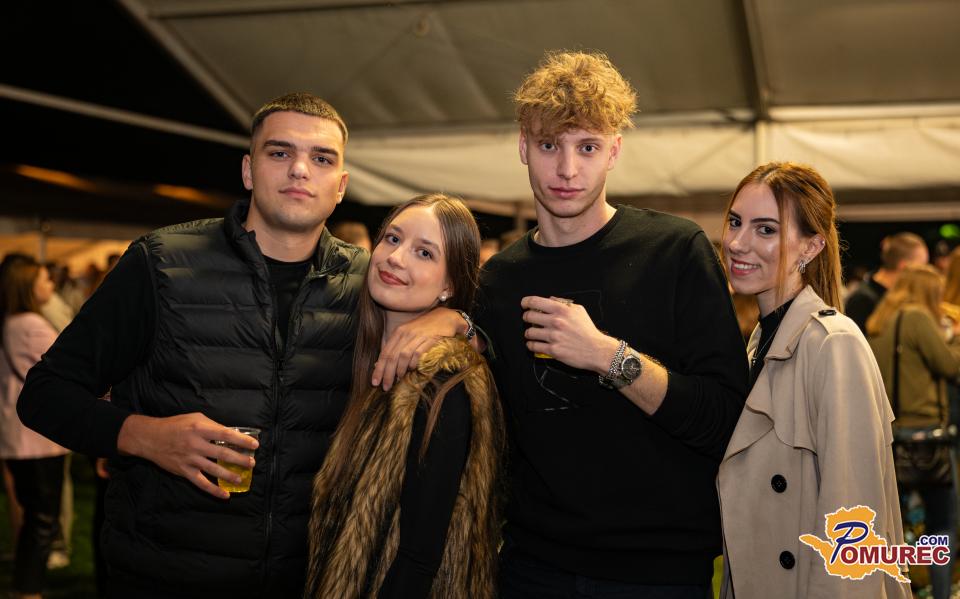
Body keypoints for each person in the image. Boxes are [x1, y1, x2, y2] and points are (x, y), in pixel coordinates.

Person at [375, 51, 748, 598]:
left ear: (614, 151)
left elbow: (726, 419)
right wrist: (452, 318)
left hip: (656, 573)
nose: (568, 170)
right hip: (532, 568)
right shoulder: (498, 280)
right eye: (550, 146)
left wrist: (608, 357)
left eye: (587, 147)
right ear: (523, 148)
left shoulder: (674, 250)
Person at [17, 92, 368, 598]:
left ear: (341, 186)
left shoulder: (368, 284)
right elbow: (44, 393)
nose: (299, 169)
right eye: (279, 152)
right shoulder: (161, 264)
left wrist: (454, 324)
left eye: (321, 158)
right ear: (248, 170)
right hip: (167, 575)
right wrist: (144, 436)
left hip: (314, 578)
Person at [717, 162, 909, 598]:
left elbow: (854, 519)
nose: (737, 243)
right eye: (735, 222)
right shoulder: (762, 340)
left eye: (766, 229)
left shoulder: (833, 343)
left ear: (812, 246)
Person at [306, 194, 504, 599]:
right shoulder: (364, 357)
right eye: (393, 239)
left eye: (424, 253)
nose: (396, 258)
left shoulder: (444, 380)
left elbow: (419, 557)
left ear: (449, 286)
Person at [867, 265, 960, 599]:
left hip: (891, 435)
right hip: (925, 434)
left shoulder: (879, 321)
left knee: (893, 525)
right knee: (942, 522)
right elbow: (950, 366)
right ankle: (940, 592)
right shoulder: (918, 318)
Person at [1, 256, 69, 599]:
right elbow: (68, 368)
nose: (51, 285)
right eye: (44, 280)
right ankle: (29, 591)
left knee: (33, 518)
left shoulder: (11, 321)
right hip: (36, 439)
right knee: (42, 520)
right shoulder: (30, 324)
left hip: (18, 435)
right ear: (28, 286)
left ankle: (24, 586)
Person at [845, 232, 928, 333]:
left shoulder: (898, 294)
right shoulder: (862, 300)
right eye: (921, 267)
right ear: (904, 266)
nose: (925, 274)